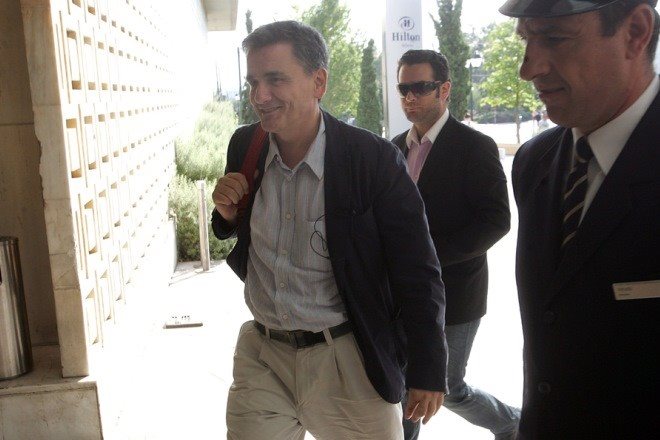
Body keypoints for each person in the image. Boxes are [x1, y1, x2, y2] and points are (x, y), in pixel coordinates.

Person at [211, 21, 448, 440]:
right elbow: (235, 225)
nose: (259, 96)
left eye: (275, 80)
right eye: (253, 82)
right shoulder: (245, 145)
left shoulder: (372, 160)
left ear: (318, 81)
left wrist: (428, 368)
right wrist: (227, 215)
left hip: (347, 360)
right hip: (263, 359)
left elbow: (417, 270)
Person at [500, 0, 660, 438]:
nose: (528, 69)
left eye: (554, 38)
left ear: (635, 32)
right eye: (526, 41)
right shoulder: (534, 161)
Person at [391, 49, 519, 440]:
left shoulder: (475, 146)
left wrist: (428, 258)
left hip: (456, 294)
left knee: (446, 385)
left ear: (444, 89)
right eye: (403, 89)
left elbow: (496, 220)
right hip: (401, 294)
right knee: (405, 383)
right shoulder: (393, 148)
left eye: (420, 87)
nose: (410, 97)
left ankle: (512, 423)